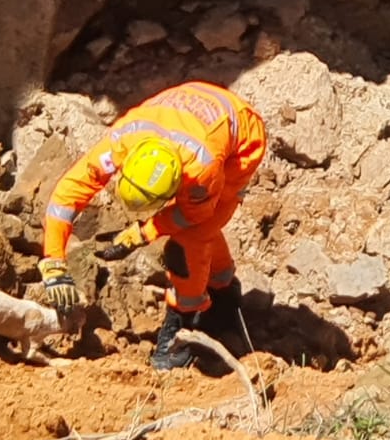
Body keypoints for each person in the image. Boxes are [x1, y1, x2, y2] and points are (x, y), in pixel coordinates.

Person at [38, 81, 266, 370]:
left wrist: (141, 234)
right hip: (189, 109)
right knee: (201, 230)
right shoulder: (122, 139)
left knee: (191, 239)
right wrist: (53, 262)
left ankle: (182, 331)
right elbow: (68, 193)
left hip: (242, 139)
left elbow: (192, 217)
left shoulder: (200, 171)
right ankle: (224, 287)